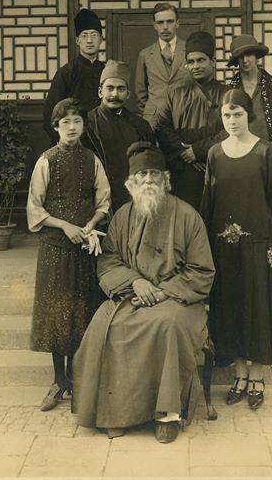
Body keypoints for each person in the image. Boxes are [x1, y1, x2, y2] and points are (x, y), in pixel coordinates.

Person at [72, 142, 215, 444]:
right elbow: (109, 259)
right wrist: (135, 282)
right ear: (131, 183)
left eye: (154, 174)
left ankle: (167, 415)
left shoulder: (188, 216)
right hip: (131, 294)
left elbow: (201, 271)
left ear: (166, 179)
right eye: (142, 175)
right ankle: (114, 412)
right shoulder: (123, 216)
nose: (148, 180)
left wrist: (162, 292)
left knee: (167, 326)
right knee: (105, 326)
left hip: (177, 299)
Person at [200, 89, 272, 410]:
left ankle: (257, 376)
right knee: (232, 307)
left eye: (238, 114)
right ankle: (239, 375)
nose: (232, 121)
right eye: (226, 115)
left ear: (248, 115)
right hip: (225, 248)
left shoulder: (264, 152)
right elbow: (207, 205)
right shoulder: (214, 154)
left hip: (260, 244)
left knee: (258, 307)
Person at [27, 97, 111, 411]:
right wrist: (66, 226)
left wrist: (88, 226)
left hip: (85, 248)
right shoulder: (46, 160)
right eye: (66, 123)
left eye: (77, 121)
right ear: (56, 127)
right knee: (55, 314)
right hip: (55, 247)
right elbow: (35, 209)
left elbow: (104, 201)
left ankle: (77, 380)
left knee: (80, 311)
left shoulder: (92, 160)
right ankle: (57, 380)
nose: (72, 127)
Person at [155, 31, 229, 209]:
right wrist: (186, 153)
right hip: (182, 171)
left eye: (201, 60)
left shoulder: (227, 94)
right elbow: (161, 127)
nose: (196, 66)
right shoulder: (175, 93)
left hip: (216, 169)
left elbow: (230, 131)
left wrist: (198, 150)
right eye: (191, 61)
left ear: (213, 61)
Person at [84, 60, 156, 212]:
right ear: (100, 91)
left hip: (133, 197)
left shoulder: (140, 125)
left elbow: (150, 163)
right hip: (97, 197)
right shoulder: (87, 123)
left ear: (128, 94)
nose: (114, 94)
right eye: (109, 88)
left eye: (121, 89)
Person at [42, 9, 105, 146]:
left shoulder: (107, 71)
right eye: (84, 35)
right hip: (74, 141)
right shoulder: (66, 72)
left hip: (104, 142)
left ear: (100, 39)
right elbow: (50, 115)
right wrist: (65, 143)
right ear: (77, 40)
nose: (89, 40)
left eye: (94, 35)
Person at [134, 3, 192, 128]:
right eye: (160, 22)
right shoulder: (145, 54)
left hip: (185, 118)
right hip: (154, 120)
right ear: (155, 26)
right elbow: (141, 93)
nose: (165, 27)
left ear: (177, 23)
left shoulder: (190, 49)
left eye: (170, 21)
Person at [227, 34, 272, 158]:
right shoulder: (231, 89)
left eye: (249, 55)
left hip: (267, 151)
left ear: (256, 57)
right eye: (240, 56)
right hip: (239, 150)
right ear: (236, 61)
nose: (245, 60)